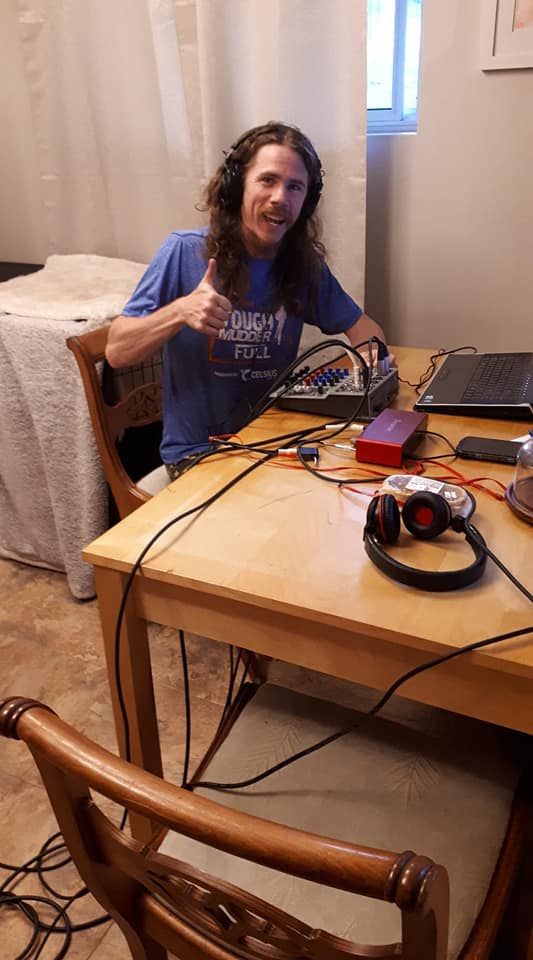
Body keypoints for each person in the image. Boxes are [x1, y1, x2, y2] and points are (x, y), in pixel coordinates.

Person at [106, 121, 392, 479]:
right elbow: (117, 351)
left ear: (306, 202)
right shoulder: (183, 252)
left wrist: (373, 362)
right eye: (267, 180)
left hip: (272, 442)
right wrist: (181, 311)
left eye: (295, 187)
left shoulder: (302, 266)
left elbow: (366, 331)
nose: (280, 197)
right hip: (198, 456)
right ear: (237, 185)